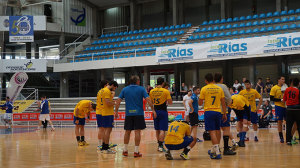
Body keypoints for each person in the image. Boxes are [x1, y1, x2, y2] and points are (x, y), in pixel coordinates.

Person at [115, 76, 155, 158]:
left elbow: (118, 100)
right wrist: (153, 110)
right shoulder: (141, 89)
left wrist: (116, 111)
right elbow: (148, 99)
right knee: (137, 132)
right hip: (138, 114)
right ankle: (136, 151)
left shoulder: (125, 89)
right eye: (139, 80)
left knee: (127, 131)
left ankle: (125, 150)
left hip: (128, 114)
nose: (139, 82)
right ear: (137, 81)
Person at [199, 73, 227, 159]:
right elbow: (223, 102)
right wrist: (225, 113)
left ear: (206, 80)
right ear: (213, 80)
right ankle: (215, 148)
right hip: (218, 111)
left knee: (212, 132)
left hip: (209, 111)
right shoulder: (219, 88)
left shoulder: (204, 89)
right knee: (217, 130)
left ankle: (217, 152)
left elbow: (200, 103)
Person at [214, 73, 237, 155]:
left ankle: (217, 149)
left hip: (213, 111)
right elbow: (229, 99)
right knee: (226, 129)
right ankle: (226, 149)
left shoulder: (211, 86)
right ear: (221, 79)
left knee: (217, 130)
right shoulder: (223, 86)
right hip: (223, 111)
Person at [150, 77, 173, 152]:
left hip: (155, 111)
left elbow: (150, 102)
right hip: (163, 111)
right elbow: (170, 103)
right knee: (163, 130)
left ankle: (159, 145)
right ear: (163, 83)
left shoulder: (151, 91)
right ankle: (160, 145)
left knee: (157, 129)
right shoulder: (165, 91)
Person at [99, 81, 119, 154]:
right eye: (114, 88)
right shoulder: (107, 91)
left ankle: (104, 146)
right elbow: (107, 102)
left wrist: (112, 101)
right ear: (112, 85)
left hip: (103, 112)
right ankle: (106, 148)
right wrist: (115, 102)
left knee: (105, 131)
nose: (114, 90)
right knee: (108, 131)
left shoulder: (101, 90)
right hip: (108, 113)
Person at [283, 78, 300, 145]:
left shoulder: (287, 89)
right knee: (299, 125)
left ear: (292, 83)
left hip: (289, 109)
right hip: (297, 109)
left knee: (289, 126)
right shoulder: (298, 91)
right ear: (298, 84)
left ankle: (288, 141)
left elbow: (284, 99)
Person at [270, 76, 286, 143]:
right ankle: (281, 137)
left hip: (286, 106)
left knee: (289, 121)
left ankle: (289, 136)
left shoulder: (286, 87)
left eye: (284, 79)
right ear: (278, 80)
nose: (283, 80)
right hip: (279, 106)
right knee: (279, 121)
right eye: (282, 79)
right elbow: (271, 98)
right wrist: (280, 100)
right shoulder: (274, 88)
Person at [96, 80, 108, 150]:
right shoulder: (105, 91)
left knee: (101, 129)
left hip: (98, 111)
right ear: (105, 85)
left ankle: (100, 144)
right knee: (104, 129)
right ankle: (103, 144)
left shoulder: (99, 91)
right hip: (103, 112)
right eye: (107, 84)